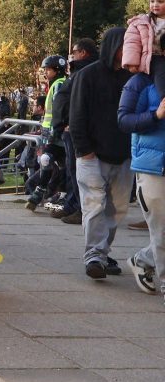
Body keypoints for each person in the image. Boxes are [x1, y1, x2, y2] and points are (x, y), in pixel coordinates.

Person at [69, 27, 133, 280]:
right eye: (123, 45)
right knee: (95, 205)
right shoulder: (87, 75)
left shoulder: (133, 76)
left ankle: (102, 253)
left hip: (124, 155)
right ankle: (94, 256)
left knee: (116, 209)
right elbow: (77, 115)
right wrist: (84, 150)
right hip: (92, 155)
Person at [116, 66, 165, 304]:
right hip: (154, 168)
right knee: (162, 231)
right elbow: (124, 120)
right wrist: (156, 115)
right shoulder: (140, 82)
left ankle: (144, 260)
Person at [50, 38, 99, 223]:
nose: (72, 55)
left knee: (78, 170)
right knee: (71, 170)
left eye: (75, 51)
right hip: (68, 126)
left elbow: (79, 100)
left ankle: (81, 208)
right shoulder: (79, 70)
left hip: (76, 128)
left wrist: (70, 122)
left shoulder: (87, 71)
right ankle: (72, 205)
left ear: (83, 52)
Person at [123, 0, 165, 99]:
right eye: (152, 1)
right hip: (153, 58)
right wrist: (132, 62)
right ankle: (163, 99)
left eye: (160, 1)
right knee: (161, 70)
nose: (155, 4)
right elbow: (132, 43)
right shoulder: (142, 22)